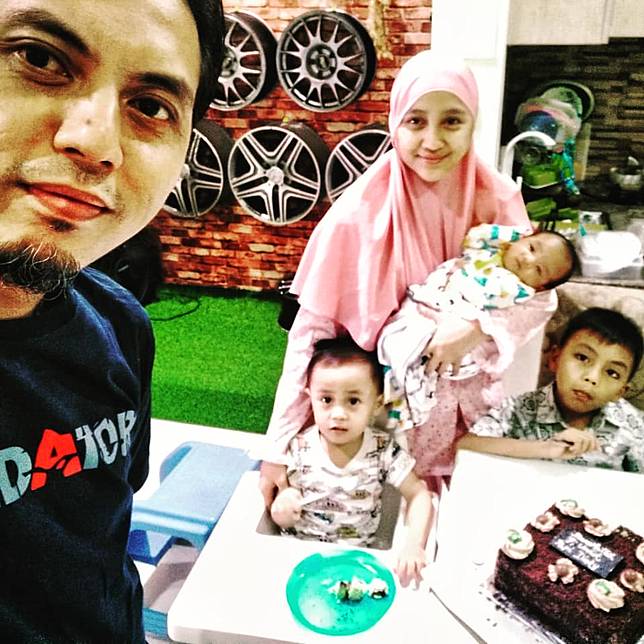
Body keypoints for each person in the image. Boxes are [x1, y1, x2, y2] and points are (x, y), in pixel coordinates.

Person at [0, 1, 223, 641]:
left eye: (151, 106)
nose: (98, 143)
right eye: (39, 59)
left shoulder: (118, 325)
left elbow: (100, 531)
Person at [260, 50, 557, 501]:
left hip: (472, 420)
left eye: (452, 121)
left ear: (472, 124)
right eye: (415, 121)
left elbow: (539, 294)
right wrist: (277, 448)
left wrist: (478, 327)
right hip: (382, 428)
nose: (432, 141)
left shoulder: (496, 200)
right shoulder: (356, 216)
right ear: (395, 124)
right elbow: (309, 338)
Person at [378, 223, 578, 430]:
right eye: (532, 248)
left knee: (432, 372)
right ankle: (400, 387)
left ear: (541, 286)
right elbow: (478, 238)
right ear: (521, 238)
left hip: (461, 348)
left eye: (538, 269)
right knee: (402, 344)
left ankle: (410, 401)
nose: (528, 260)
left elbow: (508, 324)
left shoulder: (521, 294)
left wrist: (475, 326)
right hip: (433, 307)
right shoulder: (485, 252)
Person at [270, 338, 433, 587]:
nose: (338, 414)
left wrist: (414, 544)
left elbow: (419, 493)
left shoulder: (382, 449)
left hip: (357, 563)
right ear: (310, 398)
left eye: (353, 401)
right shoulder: (297, 447)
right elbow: (278, 509)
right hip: (300, 559)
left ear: (376, 404)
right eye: (326, 400)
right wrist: (282, 508)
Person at [457, 307, 644, 472]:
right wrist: (544, 448)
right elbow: (465, 445)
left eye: (612, 373)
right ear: (555, 359)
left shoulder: (633, 425)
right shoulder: (519, 410)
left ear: (620, 391)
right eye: (582, 358)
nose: (592, 378)